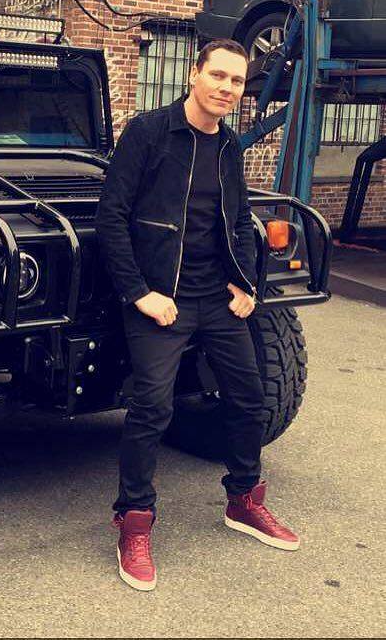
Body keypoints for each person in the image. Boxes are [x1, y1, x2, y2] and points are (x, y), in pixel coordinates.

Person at [95, 39, 300, 592]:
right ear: (194, 75)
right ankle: (134, 521)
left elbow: (239, 220)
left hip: (215, 297)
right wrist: (140, 293)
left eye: (237, 81)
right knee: (152, 406)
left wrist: (246, 285)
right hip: (160, 297)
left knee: (250, 397)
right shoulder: (149, 132)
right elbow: (111, 217)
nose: (226, 88)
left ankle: (244, 501)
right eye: (218, 75)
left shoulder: (229, 144)